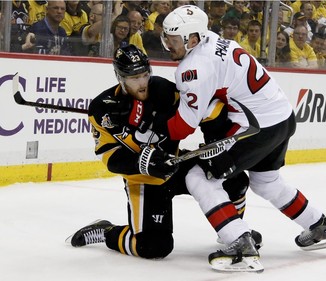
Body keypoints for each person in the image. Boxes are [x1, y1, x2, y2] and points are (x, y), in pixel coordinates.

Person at [160, 5, 326, 270]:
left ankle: (240, 244)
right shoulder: (217, 41)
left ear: (192, 39)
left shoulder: (193, 67)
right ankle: (320, 226)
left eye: (174, 39)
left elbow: (182, 128)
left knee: (199, 176)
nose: (168, 45)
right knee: (266, 182)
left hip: (256, 128)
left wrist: (153, 125)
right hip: (282, 118)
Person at [66, 44, 259, 262]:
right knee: (154, 247)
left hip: (176, 163)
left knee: (235, 179)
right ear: (120, 76)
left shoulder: (164, 90)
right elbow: (110, 158)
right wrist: (144, 162)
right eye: (134, 77)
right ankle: (106, 231)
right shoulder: (103, 108)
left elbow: (209, 107)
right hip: (145, 179)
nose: (142, 83)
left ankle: (232, 233)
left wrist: (216, 144)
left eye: (145, 74)